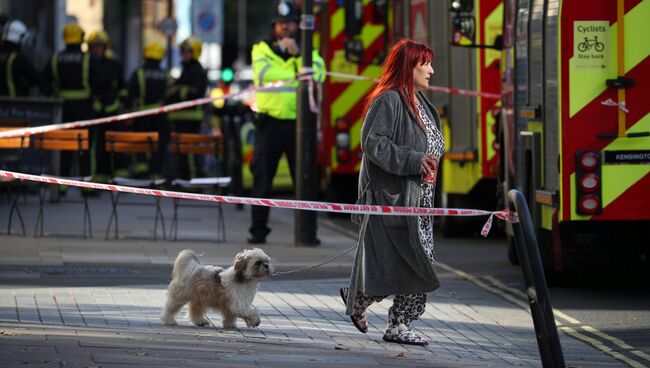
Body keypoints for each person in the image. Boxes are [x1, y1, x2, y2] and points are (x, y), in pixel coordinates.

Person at [340, 39, 444, 347]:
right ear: (408, 66)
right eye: (425, 64)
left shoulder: (421, 103)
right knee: (414, 263)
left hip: (420, 203)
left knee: (412, 263)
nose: (432, 70)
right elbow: (374, 144)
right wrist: (414, 160)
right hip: (393, 201)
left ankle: (364, 301)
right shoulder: (388, 100)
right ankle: (394, 322)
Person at [248, 0, 326, 244]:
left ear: (297, 25)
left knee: (305, 181)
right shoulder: (261, 49)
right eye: (281, 24)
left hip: (298, 126)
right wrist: (295, 71)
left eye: (289, 23)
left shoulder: (307, 51)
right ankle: (258, 233)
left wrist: (297, 54)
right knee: (262, 181)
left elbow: (319, 72)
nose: (285, 28)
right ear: (275, 27)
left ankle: (308, 234)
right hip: (268, 124)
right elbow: (263, 75)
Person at [41, 22, 97, 179]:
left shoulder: (56, 59)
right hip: (84, 108)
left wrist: (53, 94)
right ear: (81, 39)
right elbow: (101, 82)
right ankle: (87, 185)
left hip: (62, 108)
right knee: (85, 145)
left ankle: (63, 184)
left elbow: (42, 81)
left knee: (63, 145)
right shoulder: (87, 59)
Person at [166, 35, 208, 179]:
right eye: (182, 51)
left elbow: (196, 93)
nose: (183, 54)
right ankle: (184, 178)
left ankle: (193, 179)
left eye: (187, 51)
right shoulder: (187, 69)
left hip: (191, 118)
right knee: (182, 151)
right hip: (180, 118)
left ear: (195, 52)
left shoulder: (197, 70)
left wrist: (177, 89)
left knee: (190, 150)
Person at [127, 41, 170, 178]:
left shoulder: (138, 73)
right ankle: (156, 174)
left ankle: (141, 173)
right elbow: (169, 96)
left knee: (141, 144)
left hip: (142, 115)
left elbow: (130, 95)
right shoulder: (165, 75)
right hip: (160, 117)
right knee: (159, 145)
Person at [87, 30, 126, 179]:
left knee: (116, 144)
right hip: (95, 111)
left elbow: (122, 87)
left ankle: (118, 177)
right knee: (98, 146)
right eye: (94, 46)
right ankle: (99, 177)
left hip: (113, 110)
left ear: (105, 47)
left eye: (100, 46)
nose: (97, 49)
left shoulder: (114, 64)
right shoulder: (87, 63)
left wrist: (121, 103)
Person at [0, 20, 44, 97]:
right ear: (20, 38)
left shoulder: (4, 57)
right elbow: (37, 78)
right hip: (13, 106)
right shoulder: (18, 60)